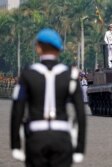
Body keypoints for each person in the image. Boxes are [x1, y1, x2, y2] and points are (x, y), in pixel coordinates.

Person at [10, 28, 86, 167]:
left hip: (36, 139)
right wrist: (80, 148)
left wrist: (15, 145)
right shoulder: (71, 75)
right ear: (59, 50)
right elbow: (81, 113)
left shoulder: (27, 75)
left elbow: (17, 112)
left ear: (38, 48)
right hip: (62, 138)